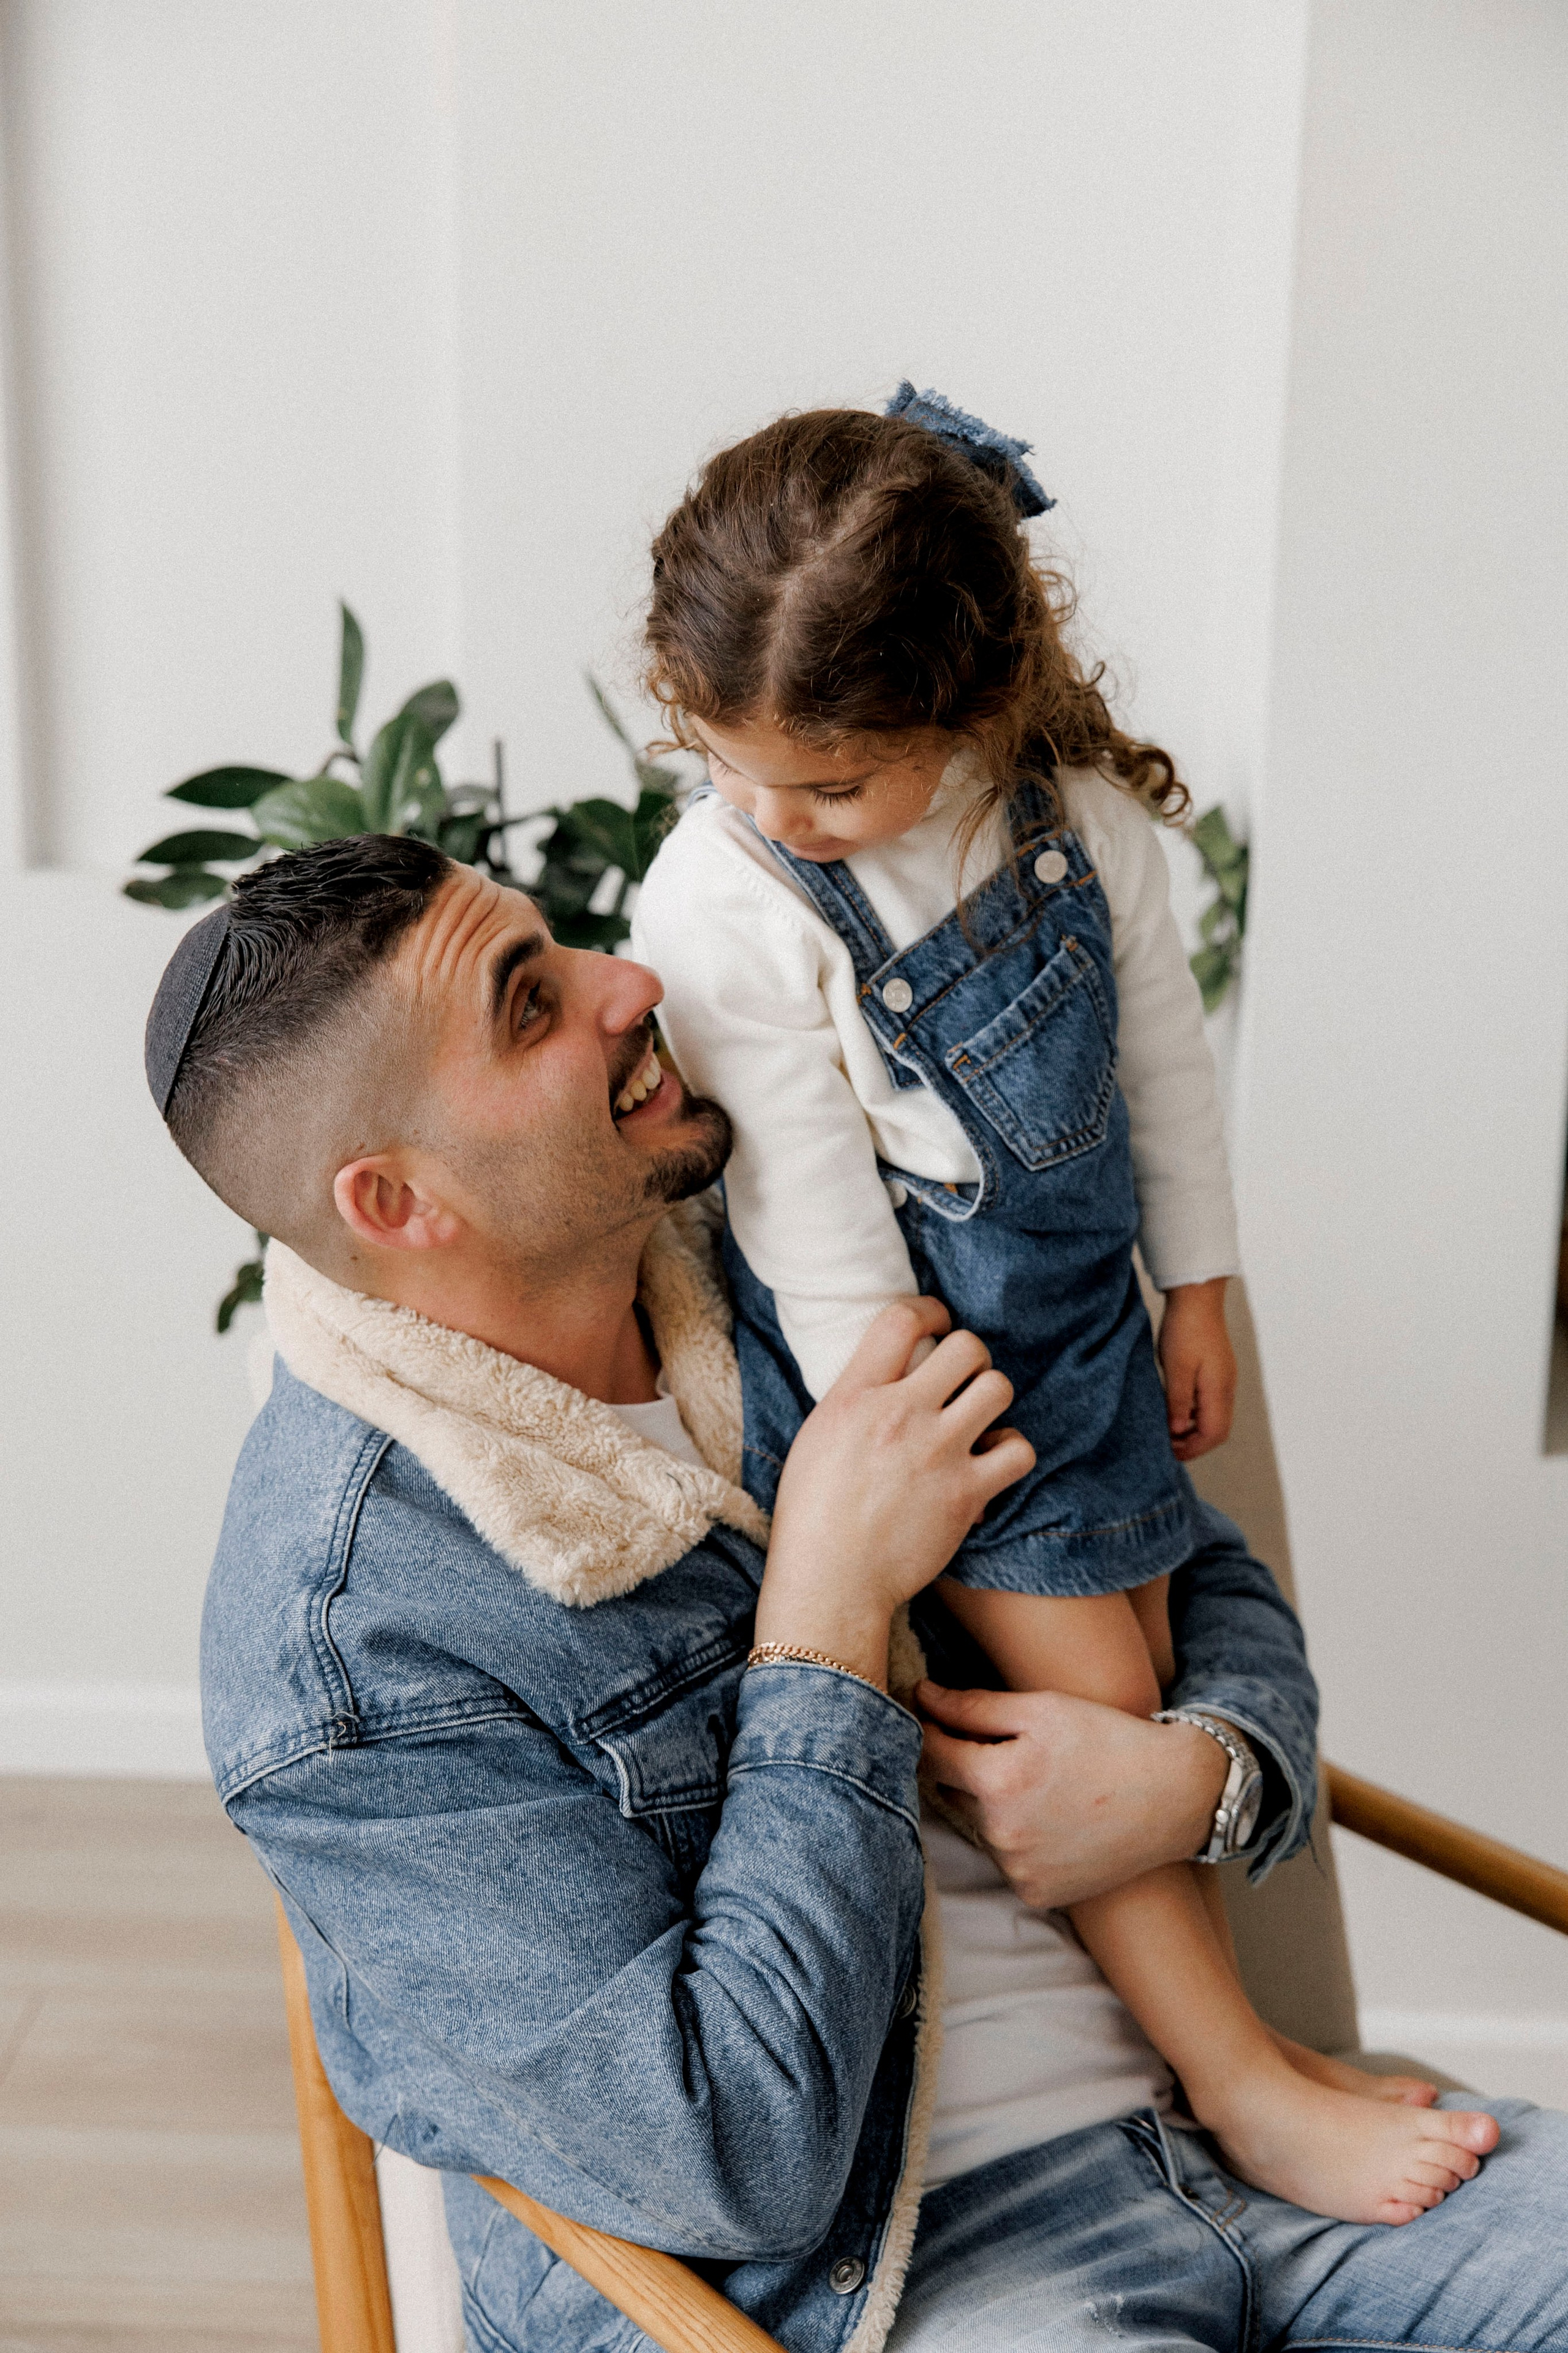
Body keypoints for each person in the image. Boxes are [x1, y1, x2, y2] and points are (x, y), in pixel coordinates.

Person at [148, 838, 1566, 2353]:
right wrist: (822, 1614)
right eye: (531, 1007)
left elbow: (1175, 1549)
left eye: (566, 949)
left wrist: (1194, 1774)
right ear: (398, 1199)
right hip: (898, 2286)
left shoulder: (793, 1236)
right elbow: (726, 2161)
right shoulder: (350, 1652)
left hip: (1249, 2135)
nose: (631, 985)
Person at [631, 385, 1486, 2226]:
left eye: (835, 784)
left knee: (1151, 1672)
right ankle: (1243, 2079)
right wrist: (935, 1453)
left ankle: (1246, 2058)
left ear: (977, 710)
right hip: (908, 1369)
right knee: (1090, 1702)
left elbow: (1162, 1066)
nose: (774, 812)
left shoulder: (1080, 820)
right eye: (725, 757)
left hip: (1081, 1321)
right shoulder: (724, 899)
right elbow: (812, 1219)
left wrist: (1201, 1283)